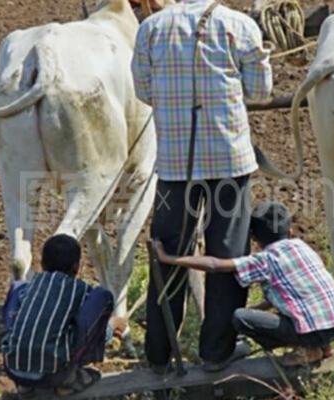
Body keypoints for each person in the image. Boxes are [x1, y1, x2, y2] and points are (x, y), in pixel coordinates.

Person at [131, 0, 273, 372]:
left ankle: (159, 355)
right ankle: (216, 352)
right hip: (230, 164)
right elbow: (260, 90)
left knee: (168, 254)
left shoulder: (151, 28)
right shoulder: (238, 25)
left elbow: (144, 92)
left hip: (175, 167)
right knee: (227, 254)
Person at [155, 202, 334, 366]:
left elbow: (215, 265)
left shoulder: (266, 259)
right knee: (304, 310)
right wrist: (258, 309)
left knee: (242, 318)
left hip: (313, 331)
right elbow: (296, 295)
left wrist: (168, 258)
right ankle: (324, 348)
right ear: (290, 230)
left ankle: (307, 350)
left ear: (254, 238)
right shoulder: (302, 247)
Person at [1, 234, 127, 397]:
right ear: (77, 267)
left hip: (12, 368)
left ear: (42, 264)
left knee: (16, 290)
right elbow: (87, 328)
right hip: (52, 375)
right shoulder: (80, 290)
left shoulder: (30, 286)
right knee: (103, 297)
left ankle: (25, 387)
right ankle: (70, 380)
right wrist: (113, 324)